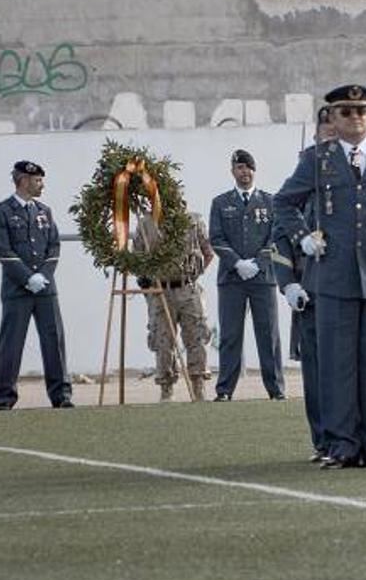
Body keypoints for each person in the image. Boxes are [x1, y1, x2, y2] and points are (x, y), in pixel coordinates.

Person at [274, 84, 366, 469]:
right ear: (332, 120)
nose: (356, 118)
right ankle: (342, 446)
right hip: (333, 277)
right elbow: (283, 202)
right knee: (337, 367)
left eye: (362, 111)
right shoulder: (316, 160)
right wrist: (303, 237)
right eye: (347, 112)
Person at [274, 106, 334, 461]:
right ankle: (322, 440)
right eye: (325, 132)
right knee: (316, 373)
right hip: (309, 289)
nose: (330, 136)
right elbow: (279, 239)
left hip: (344, 287)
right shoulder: (300, 186)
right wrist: (288, 285)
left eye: (334, 131)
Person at [0, 160, 73, 410]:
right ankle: (5, 398)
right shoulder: (1, 212)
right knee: (11, 344)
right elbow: (3, 250)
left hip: (45, 289)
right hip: (17, 290)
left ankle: (61, 396)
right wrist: (27, 278)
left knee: (54, 341)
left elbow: (54, 246)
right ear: (23, 180)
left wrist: (43, 276)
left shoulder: (44, 211)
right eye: (37, 181)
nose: (42, 185)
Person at [209, 150, 283, 401]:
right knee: (230, 335)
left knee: (268, 335)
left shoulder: (270, 202)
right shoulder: (220, 203)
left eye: (248, 167)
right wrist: (238, 263)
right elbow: (216, 238)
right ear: (233, 171)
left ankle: (276, 389)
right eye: (240, 167)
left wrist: (258, 262)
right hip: (232, 278)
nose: (244, 172)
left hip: (262, 278)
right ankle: (225, 390)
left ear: (254, 171)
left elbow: (276, 237)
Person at [136, 211, 214, 401]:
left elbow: (208, 252)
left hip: (188, 289)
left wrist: (194, 273)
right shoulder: (146, 223)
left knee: (197, 337)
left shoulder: (193, 221)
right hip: (160, 291)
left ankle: (198, 385)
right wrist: (144, 279)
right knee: (162, 340)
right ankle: (166, 387)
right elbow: (137, 255)